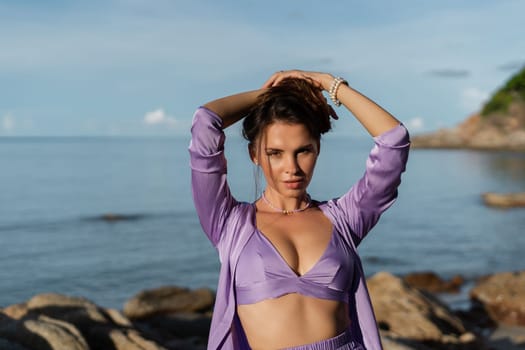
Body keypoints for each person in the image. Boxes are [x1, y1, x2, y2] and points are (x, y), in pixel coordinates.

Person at [189, 70, 410, 350]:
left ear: (317, 150)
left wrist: (330, 85)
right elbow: (206, 122)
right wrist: (279, 93)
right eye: (275, 153)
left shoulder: (344, 219)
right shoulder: (229, 223)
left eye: (303, 151)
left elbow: (394, 141)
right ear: (254, 155)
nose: (291, 168)